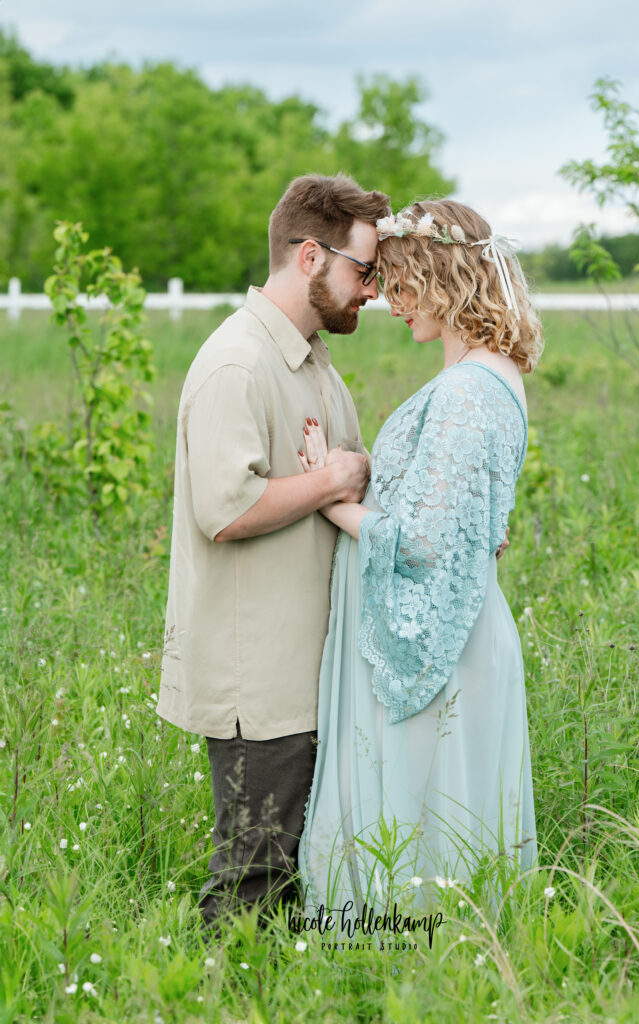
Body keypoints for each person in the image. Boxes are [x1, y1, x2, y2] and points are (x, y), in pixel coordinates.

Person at [156, 173, 390, 925]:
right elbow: (225, 510)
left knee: (291, 876)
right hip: (258, 684)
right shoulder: (239, 363)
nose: (374, 291)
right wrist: (333, 480)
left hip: (304, 671)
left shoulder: (312, 358)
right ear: (311, 257)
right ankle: (219, 999)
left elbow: (346, 485)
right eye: (364, 270)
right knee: (251, 883)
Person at [297, 199, 543, 915]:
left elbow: (426, 540)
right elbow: (443, 502)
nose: (389, 301)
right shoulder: (484, 375)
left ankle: (410, 957)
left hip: (443, 640)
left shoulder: (469, 391)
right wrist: (367, 473)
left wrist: (328, 493)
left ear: (443, 279)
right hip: (463, 621)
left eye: (402, 284)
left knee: (423, 813)